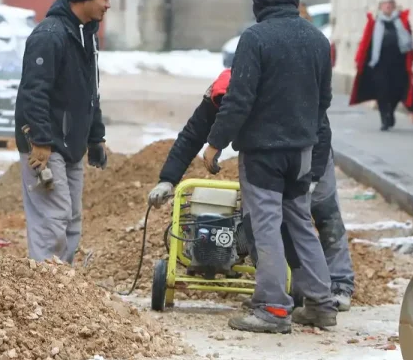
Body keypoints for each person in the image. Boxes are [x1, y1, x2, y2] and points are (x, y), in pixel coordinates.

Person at [147, 68, 355, 311]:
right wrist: (167, 180)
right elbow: (192, 135)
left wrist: (313, 179)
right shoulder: (219, 95)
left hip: (310, 153)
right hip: (266, 156)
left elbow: (321, 131)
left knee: (324, 214)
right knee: (257, 221)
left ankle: (339, 284)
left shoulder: (283, 88)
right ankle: (273, 290)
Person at [200, 0, 336, 334]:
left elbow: (239, 100)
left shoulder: (256, 39)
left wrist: (214, 143)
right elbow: (323, 101)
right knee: (300, 224)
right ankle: (322, 303)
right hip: (302, 153)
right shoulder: (318, 40)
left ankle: (273, 308)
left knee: (266, 227)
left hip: (263, 154)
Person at [14, 0, 112, 263]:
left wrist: (95, 138)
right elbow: (34, 92)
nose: (108, 5)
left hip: (71, 145)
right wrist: (40, 141)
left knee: (70, 219)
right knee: (52, 218)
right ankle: (44, 291)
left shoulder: (86, 36)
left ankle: (62, 292)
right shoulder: (50, 35)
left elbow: (89, 92)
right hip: (46, 145)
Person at [350, 0, 413, 131]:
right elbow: (366, 41)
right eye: (385, 4)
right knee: (382, 91)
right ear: (380, 6)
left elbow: (409, 42)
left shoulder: (402, 21)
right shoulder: (374, 21)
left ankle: (391, 111)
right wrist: (359, 59)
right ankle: (385, 118)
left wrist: (411, 60)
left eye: (390, 3)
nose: (388, 6)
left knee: (396, 90)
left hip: (398, 64)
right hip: (379, 63)